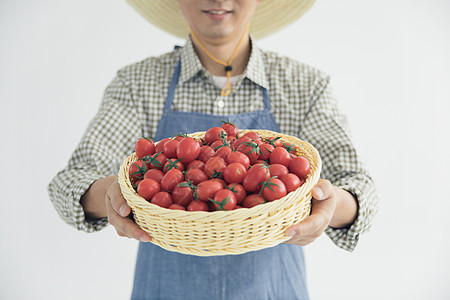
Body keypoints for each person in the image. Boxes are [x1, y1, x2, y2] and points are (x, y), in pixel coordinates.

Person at [48, 0, 378, 299]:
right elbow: (68, 184)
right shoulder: (137, 82)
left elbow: (360, 188)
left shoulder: (305, 84)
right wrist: (111, 192)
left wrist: (329, 205)